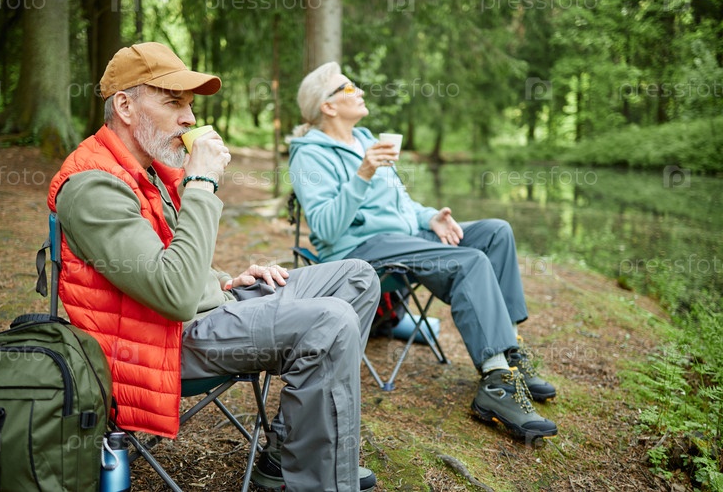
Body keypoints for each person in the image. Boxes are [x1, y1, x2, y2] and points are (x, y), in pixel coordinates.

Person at [47, 43, 380, 491]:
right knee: (331, 320)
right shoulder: (92, 187)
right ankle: (324, 483)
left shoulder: (147, 169)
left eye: (189, 105)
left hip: (200, 313)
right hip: (157, 342)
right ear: (125, 106)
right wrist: (202, 184)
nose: (189, 118)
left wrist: (225, 279)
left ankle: (285, 452)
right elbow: (174, 296)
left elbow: (169, 258)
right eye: (173, 103)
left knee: (356, 277)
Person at [288, 62, 558, 442]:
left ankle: (509, 355)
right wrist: (363, 174)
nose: (359, 91)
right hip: (360, 251)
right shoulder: (309, 155)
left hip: (406, 237)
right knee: (469, 262)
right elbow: (327, 228)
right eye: (348, 87)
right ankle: (496, 384)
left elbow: (401, 204)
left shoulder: (365, 139)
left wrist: (431, 217)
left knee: (496, 232)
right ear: (328, 106)